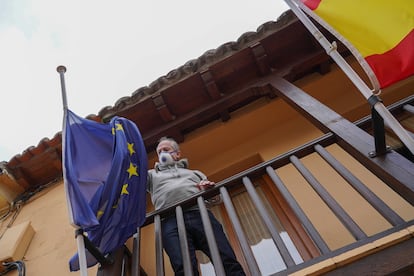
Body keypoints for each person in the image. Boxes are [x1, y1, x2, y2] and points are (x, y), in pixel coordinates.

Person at [147, 137, 246, 276]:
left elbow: (216, 200)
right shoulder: (151, 175)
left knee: (225, 257)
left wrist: (208, 190)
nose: (162, 153)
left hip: (200, 213)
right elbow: (131, 178)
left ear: (177, 154)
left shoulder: (195, 173)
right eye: (159, 151)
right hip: (170, 220)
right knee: (183, 267)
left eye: (166, 150)